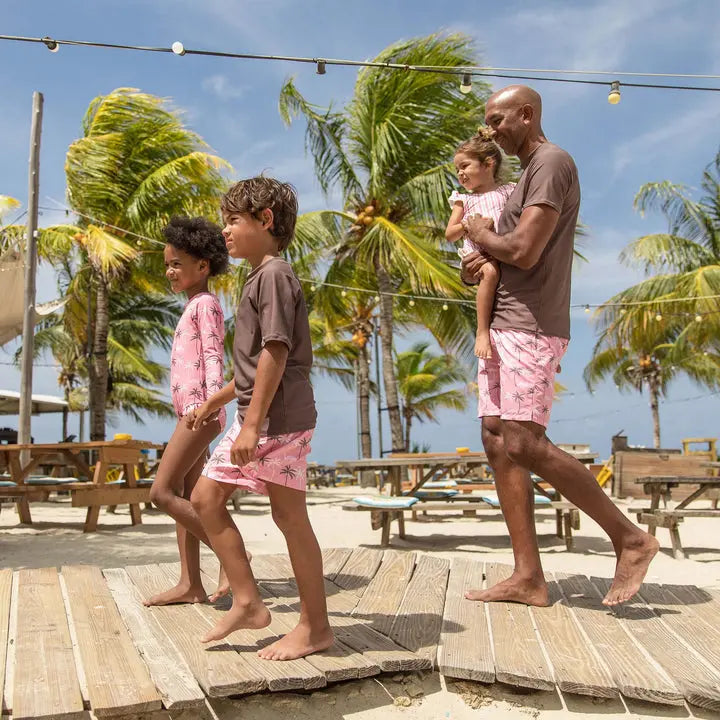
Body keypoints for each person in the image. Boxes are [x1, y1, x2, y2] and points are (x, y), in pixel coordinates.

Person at [460, 85, 658, 607]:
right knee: (496, 440)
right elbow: (503, 258)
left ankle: (630, 539)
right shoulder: (524, 175)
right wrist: (476, 265)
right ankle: (528, 577)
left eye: (499, 119)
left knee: (523, 440)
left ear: (527, 115)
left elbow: (524, 251)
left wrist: (480, 233)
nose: (492, 130)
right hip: (504, 321)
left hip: (531, 322)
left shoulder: (551, 162)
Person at [189, 177, 333, 660]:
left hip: (279, 419)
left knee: (290, 518)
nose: (225, 230)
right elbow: (252, 367)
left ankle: (315, 627)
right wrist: (216, 402)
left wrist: (250, 423)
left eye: (233, 220)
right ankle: (248, 601)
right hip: (261, 413)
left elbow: (277, 350)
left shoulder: (274, 275)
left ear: (265, 220)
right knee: (206, 498)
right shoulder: (258, 278)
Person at [145, 216, 231, 606]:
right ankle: (190, 583)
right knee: (187, 495)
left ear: (204, 266)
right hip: (193, 410)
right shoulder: (193, 306)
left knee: (161, 492)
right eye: (168, 263)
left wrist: (210, 405)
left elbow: (214, 356)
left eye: (177, 263)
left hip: (200, 413)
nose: (169, 270)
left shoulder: (207, 305)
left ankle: (234, 557)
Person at [445, 128, 515, 358]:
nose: (460, 173)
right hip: (479, 254)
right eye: (457, 170)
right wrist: (469, 225)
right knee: (490, 273)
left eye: (464, 166)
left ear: (488, 164)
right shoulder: (463, 200)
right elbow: (450, 234)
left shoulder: (508, 191)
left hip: (503, 249)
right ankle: (482, 330)